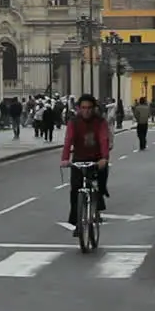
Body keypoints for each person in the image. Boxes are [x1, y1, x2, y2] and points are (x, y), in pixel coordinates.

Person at [60, 94, 110, 236]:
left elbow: (103, 140)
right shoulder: (74, 122)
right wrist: (65, 159)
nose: (86, 111)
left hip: (96, 158)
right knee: (75, 190)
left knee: (102, 177)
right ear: (78, 109)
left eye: (89, 108)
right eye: (83, 108)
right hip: (79, 158)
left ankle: (99, 198)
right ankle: (77, 223)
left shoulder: (100, 122)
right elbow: (68, 140)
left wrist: (104, 158)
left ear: (94, 109)